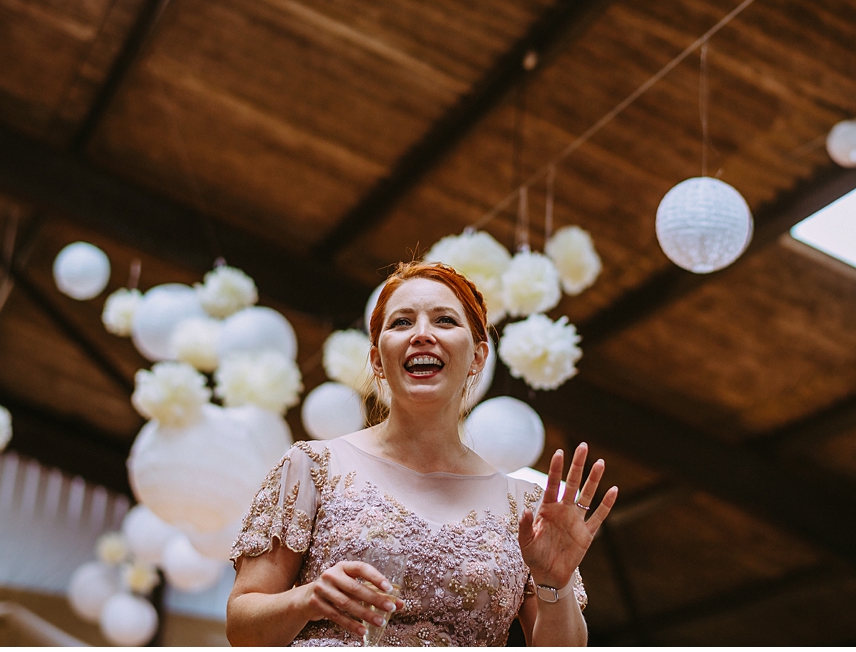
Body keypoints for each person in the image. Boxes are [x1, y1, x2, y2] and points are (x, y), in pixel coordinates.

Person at [225, 261, 618, 646]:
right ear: (378, 360)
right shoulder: (313, 467)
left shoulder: (524, 507)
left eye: (445, 321)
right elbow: (241, 629)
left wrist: (555, 585)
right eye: (401, 322)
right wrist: (305, 599)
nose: (422, 334)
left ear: (478, 358)